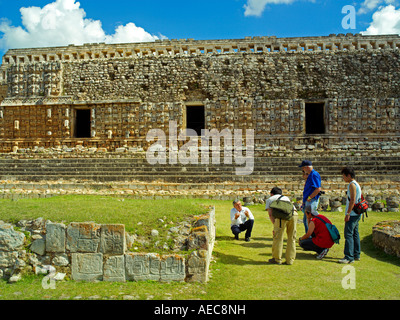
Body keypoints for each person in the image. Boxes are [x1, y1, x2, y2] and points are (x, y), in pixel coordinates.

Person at [265, 187, 298, 265]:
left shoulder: (270, 199)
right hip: (294, 214)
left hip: (281, 217)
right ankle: (290, 260)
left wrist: (275, 226)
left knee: (278, 237)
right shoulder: (286, 198)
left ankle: (277, 259)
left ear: (271, 194)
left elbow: (270, 214)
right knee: (292, 237)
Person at [338, 167, 362, 264]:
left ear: (348, 175)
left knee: (348, 234)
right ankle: (356, 254)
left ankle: (348, 256)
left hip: (352, 214)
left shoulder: (352, 185)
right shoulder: (356, 184)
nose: (343, 178)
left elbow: (352, 200)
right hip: (356, 213)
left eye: (344, 176)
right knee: (355, 233)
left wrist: (348, 213)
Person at [299, 160, 322, 233]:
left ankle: (311, 237)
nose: (302, 170)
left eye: (303, 168)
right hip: (308, 201)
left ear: (306, 167)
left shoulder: (314, 174)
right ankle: (308, 236)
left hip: (311, 201)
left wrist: (310, 197)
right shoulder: (311, 174)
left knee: (309, 220)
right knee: (306, 220)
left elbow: (318, 189)